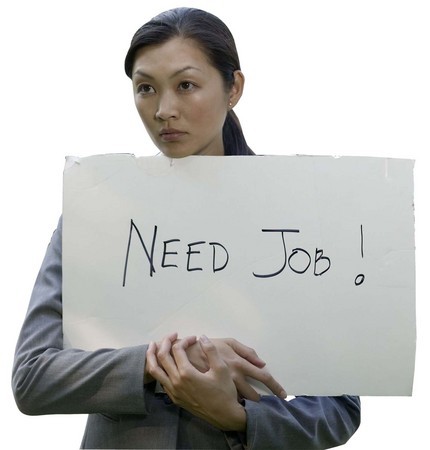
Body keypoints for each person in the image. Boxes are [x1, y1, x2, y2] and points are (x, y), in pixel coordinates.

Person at [12, 7, 361, 449]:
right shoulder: (97, 213)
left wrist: (239, 418)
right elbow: (34, 377)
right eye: (146, 88)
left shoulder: (297, 218)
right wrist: (161, 362)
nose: (164, 110)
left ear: (233, 88)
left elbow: (339, 409)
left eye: (186, 85)